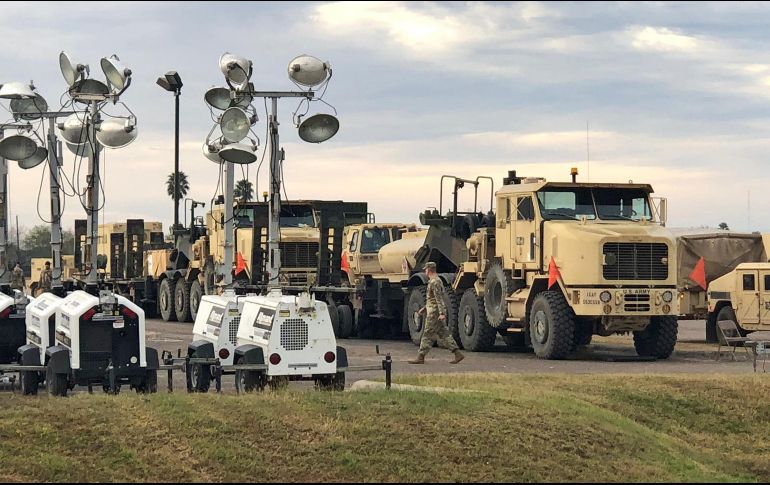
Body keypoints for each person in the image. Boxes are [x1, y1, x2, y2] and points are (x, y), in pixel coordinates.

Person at [409, 262, 465, 365]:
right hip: (433, 310)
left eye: (426, 269)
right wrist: (424, 308)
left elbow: (439, 298)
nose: (425, 271)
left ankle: (421, 356)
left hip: (434, 313)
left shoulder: (435, 282)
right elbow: (433, 299)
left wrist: (442, 313)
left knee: (427, 333)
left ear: (429, 269)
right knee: (444, 333)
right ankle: (457, 353)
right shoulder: (434, 281)